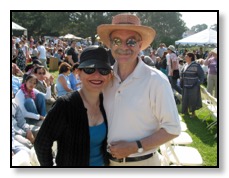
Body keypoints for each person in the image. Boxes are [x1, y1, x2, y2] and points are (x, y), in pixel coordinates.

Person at [97, 13, 181, 166]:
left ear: (140, 44)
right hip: (105, 162)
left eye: (130, 41)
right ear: (110, 44)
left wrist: (136, 146)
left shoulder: (156, 80)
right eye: (117, 41)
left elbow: (173, 129)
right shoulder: (104, 79)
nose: (123, 46)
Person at [34, 46, 112, 166]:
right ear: (79, 73)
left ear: (109, 76)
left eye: (103, 70)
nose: (97, 75)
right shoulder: (65, 105)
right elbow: (42, 144)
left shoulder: (108, 103)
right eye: (89, 69)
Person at [180, 52, 205, 117]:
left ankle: (193, 113)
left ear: (190, 57)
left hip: (193, 85)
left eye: (186, 56)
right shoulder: (185, 64)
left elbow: (202, 75)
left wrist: (199, 83)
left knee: (193, 99)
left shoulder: (196, 65)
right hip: (185, 85)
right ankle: (185, 112)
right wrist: (181, 81)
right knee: (185, 98)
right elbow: (182, 74)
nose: (185, 58)